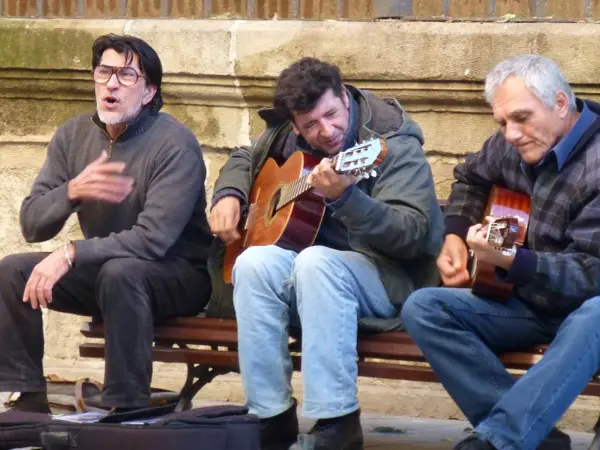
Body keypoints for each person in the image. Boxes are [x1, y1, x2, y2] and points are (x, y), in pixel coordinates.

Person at [208, 57, 443, 450]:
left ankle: (337, 423)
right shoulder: (288, 135)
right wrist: (229, 193)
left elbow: (411, 236)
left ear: (345, 96)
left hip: (388, 277)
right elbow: (243, 158)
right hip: (313, 281)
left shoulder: (392, 141)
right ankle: (270, 416)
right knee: (252, 263)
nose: (326, 130)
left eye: (331, 115)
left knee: (315, 262)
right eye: (311, 125)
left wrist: (347, 197)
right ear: (296, 125)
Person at [0, 34, 213, 413]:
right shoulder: (73, 135)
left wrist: (70, 253)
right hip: (108, 272)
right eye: (104, 72)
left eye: (127, 75)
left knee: (121, 272)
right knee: (13, 271)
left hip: (178, 276)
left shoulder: (175, 144)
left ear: (148, 92)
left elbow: (153, 240)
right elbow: (32, 224)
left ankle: (127, 406)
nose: (112, 83)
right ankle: (28, 400)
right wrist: (72, 191)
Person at [401, 54, 600, 450]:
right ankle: (536, 437)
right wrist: (455, 234)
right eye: (502, 123)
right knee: (424, 307)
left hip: (585, 312)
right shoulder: (513, 144)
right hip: (525, 301)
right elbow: (470, 178)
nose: (511, 134)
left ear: (561, 104)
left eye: (522, 118)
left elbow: (591, 276)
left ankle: (501, 440)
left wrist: (513, 261)